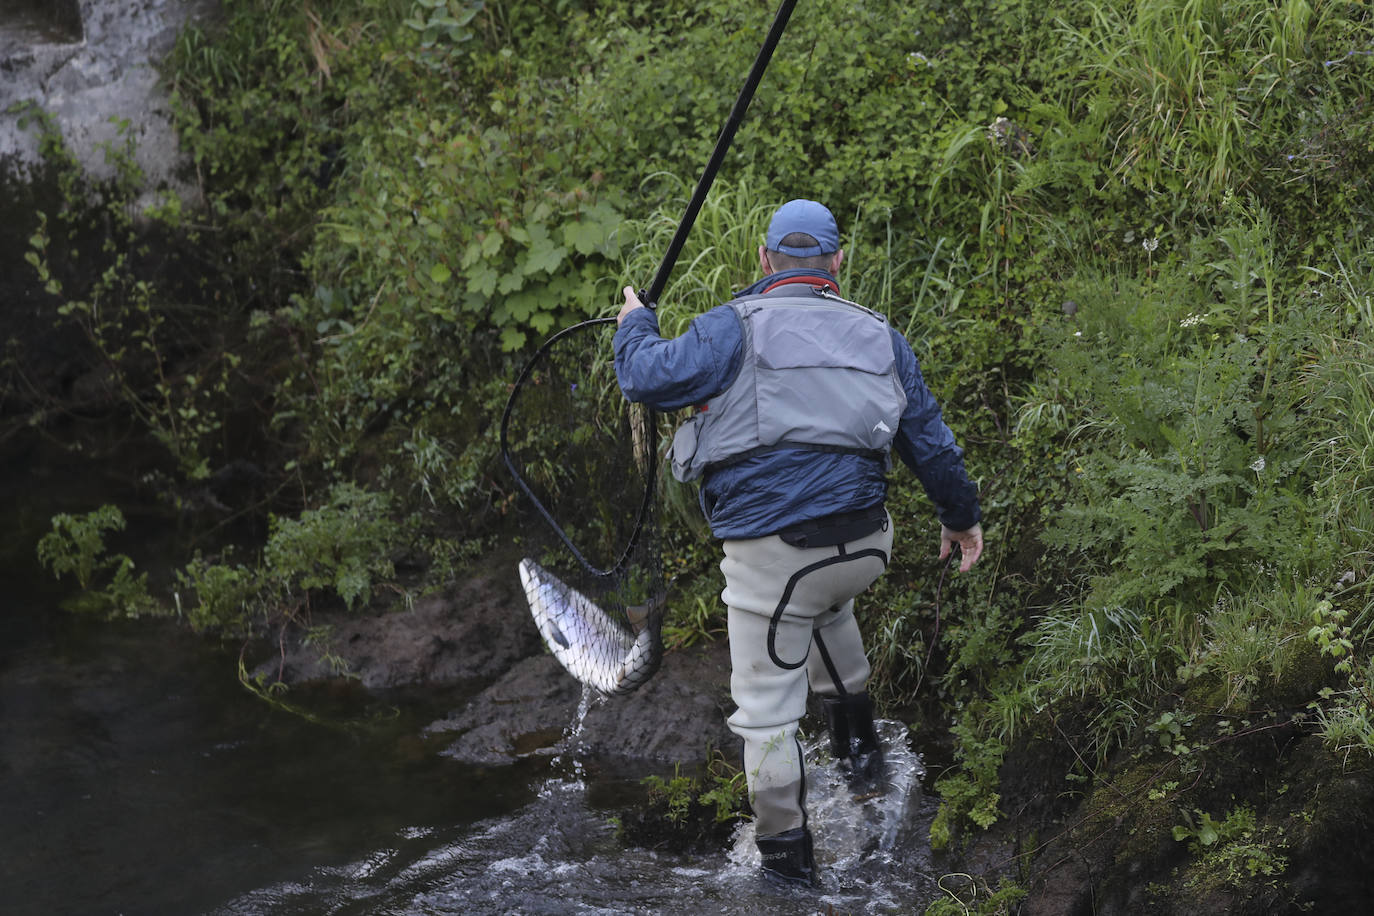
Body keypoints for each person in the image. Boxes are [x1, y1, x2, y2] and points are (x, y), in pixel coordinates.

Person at [613, 199, 984, 886]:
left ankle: (788, 874)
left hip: (777, 561)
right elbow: (930, 444)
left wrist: (635, 323)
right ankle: (867, 768)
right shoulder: (882, 336)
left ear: (763, 261)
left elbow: (644, 377)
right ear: (837, 264)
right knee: (825, 607)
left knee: (766, 719)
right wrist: (961, 520)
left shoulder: (730, 329)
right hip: (865, 548)